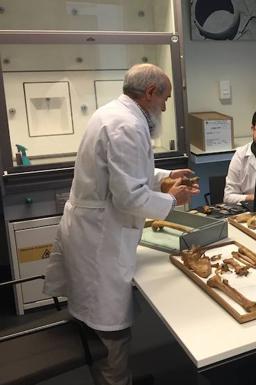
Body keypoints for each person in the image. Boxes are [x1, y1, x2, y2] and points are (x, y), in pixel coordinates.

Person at [43, 63, 199, 385]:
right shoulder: (127, 125)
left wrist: (166, 177)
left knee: (99, 324)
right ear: (151, 92)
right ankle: (116, 380)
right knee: (112, 332)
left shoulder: (115, 114)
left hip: (93, 229)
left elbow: (130, 172)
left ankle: (115, 377)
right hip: (100, 238)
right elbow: (128, 197)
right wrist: (173, 200)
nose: (165, 107)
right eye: (165, 99)